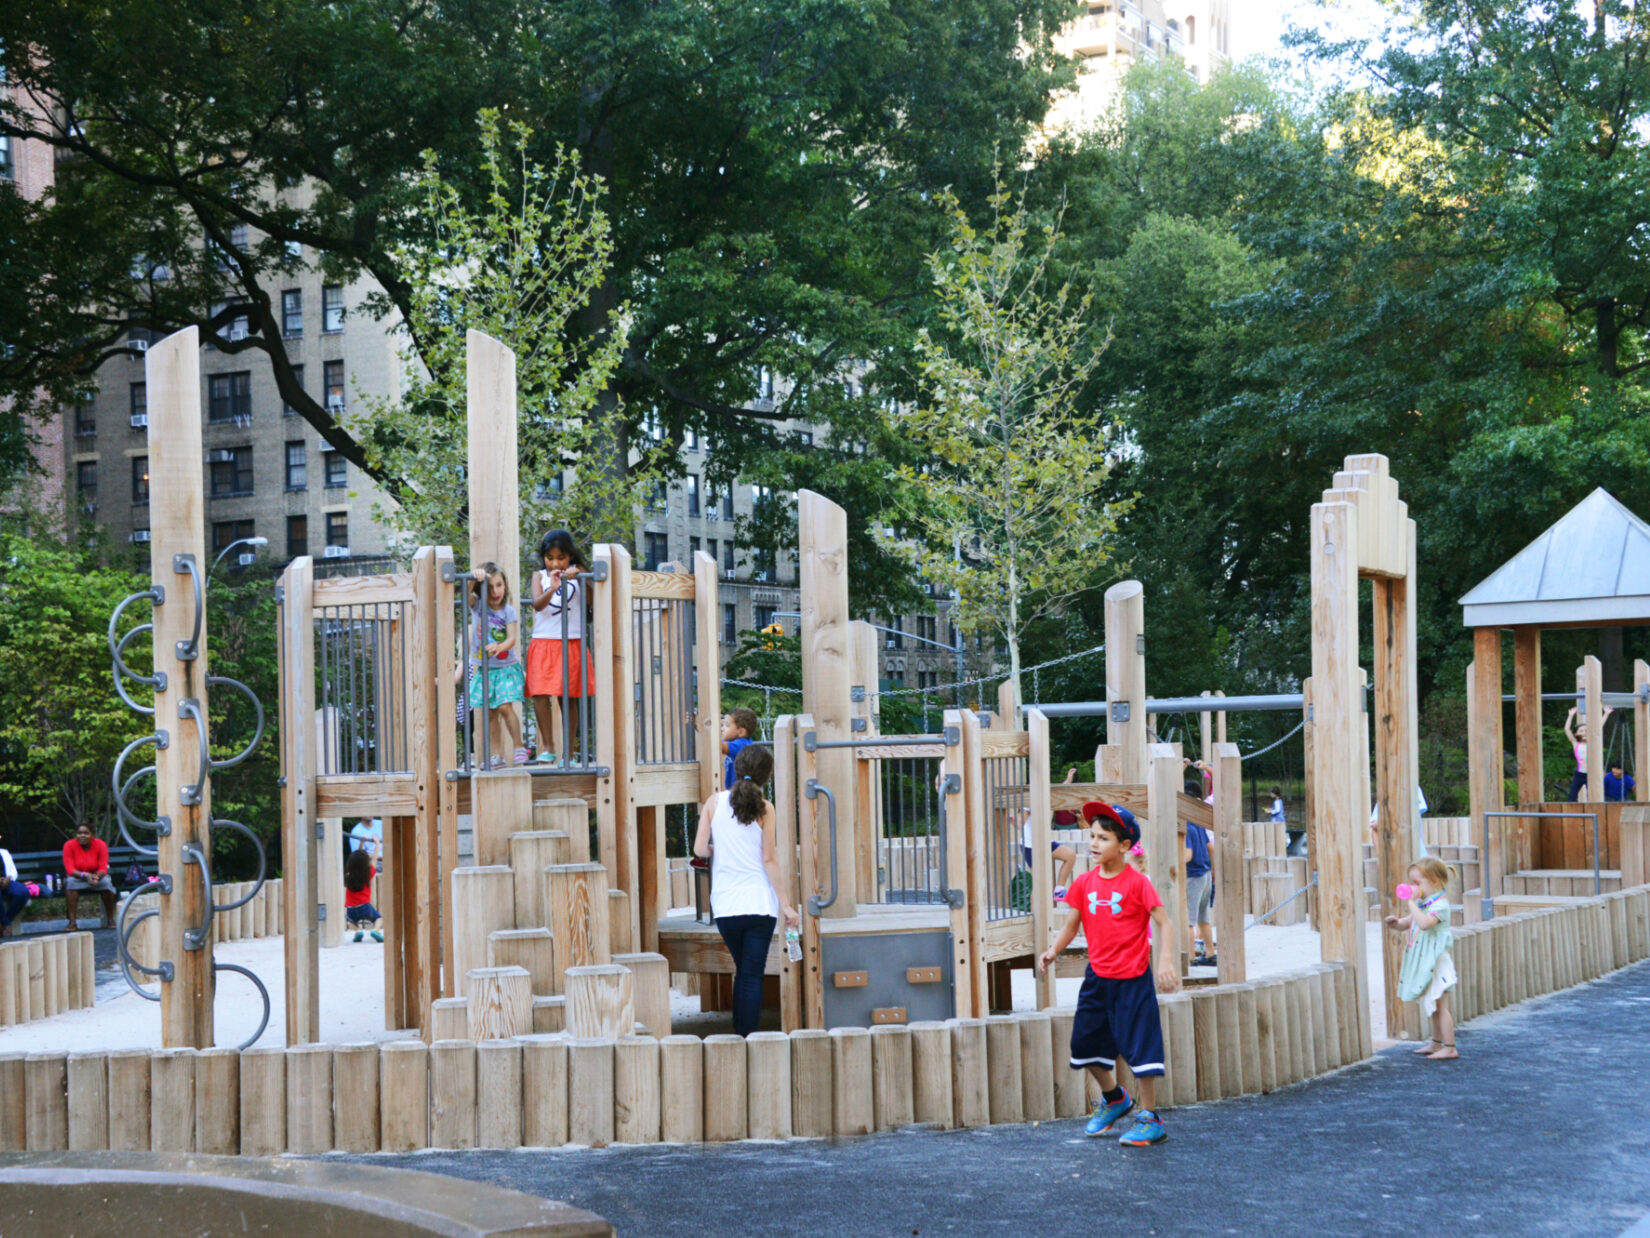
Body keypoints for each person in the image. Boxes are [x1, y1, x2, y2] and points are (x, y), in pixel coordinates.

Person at [1037, 801, 1179, 1147]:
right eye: (1093, 836)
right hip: (1097, 979)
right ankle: (1115, 1097)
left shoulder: (1137, 883)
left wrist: (1164, 961)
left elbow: (1164, 922)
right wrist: (1053, 950)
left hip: (1132, 979)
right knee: (1084, 1045)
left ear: (1125, 845)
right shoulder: (1084, 883)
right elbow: (1072, 926)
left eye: (1104, 837)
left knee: (1140, 1048)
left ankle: (1150, 1117)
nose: (1095, 843)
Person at [692, 743, 799, 1036]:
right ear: (766, 776)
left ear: (736, 768)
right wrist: (787, 905)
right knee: (751, 975)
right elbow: (769, 858)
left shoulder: (714, 802)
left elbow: (700, 848)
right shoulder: (766, 808)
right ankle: (746, 1037)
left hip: (726, 905)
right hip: (758, 904)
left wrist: (720, 848)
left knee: (742, 971)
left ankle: (740, 1036)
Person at [527, 529, 595, 765]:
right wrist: (554, 587)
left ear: (570, 556)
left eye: (561, 558)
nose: (555, 562)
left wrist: (580, 578)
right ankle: (548, 746)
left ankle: (570, 752)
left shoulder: (581, 574)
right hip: (544, 640)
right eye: (550, 558)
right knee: (539, 693)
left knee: (569, 697)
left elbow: (591, 601)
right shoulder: (540, 576)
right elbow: (537, 604)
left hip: (571, 641)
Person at [1386, 856, 1458, 1060]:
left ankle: (1450, 1046)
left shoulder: (1440, 905)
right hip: (1428, 962)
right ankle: (1436, 1044)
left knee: (1441, 1007)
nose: (1413, 887)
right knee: (1433, 1004)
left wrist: (1410, 902)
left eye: (1417, 883)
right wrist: (1396, 923)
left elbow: (1425, 923)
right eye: (1412, 883)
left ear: (1434, 881)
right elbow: (1409, 923)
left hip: (1437, 962)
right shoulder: (1425, 903)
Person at [461, 563, 527, 766]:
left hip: (505, 667)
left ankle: (519, 747)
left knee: (505, 708)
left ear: (505, 585)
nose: (495, 591)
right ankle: (496, 755)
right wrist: (474, 578)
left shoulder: (508, 611)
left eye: (499, 585)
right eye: (489, 587)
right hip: (485, 669)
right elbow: (466, 594)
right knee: (490, 713)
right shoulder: (479, 606)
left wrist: (500, 647)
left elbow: (512, 638)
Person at [1021, 769, 1080, 899]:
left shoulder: (1048, 796)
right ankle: (1034, 911)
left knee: (1070, 856)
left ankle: (1059, 889)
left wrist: (1069, 778)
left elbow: (1059, 790)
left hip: (1044, 842)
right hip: (1031, 845)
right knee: (1038, 884)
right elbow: (1022, 821)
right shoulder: (1029, 799)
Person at [63, 824, 117, 930]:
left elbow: (103, 868)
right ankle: (72, 922)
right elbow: (70, 870)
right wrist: (85, 875)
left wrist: (96, 877)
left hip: (97, 877)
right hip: (78, 877)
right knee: (70, 884)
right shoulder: (69, 845)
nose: (82, 836)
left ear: (92, 834)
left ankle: (110, 919)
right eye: (79, 833)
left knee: (106, 884)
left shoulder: (100, 845)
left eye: (86, 833)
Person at [1183, 815, 1216, 968]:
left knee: (1188, 920)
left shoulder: (1186, 827)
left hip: (1194, 876)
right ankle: (1210, 953)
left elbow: (1188, 855)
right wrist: (1213, 869)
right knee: (1203, 918)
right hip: (1206, 874)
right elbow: (1210, 848)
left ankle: (1190, 957)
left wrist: (1171, 861)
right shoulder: (1198, 823)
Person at [1564, 705, 1612, 801]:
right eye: (1581, 731)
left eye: (1586, 730)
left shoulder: (1592, 742)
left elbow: (1598, 727)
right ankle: (1570, 814)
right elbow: (1567, 729)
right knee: (1572, 796)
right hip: (1579, 774)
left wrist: (1606, 714)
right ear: (1576, 734)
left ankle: (1592, 813)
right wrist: (1570, 716)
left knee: (1592, 797)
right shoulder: (1575, 743)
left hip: (1591, 774)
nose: (1584, 732)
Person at [343, 848, 383, 943]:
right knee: (378, 918)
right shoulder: (367, 874)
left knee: (350, 922)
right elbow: (374, 859)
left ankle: (358, 931)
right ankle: (375, 930)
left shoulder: (348, 876)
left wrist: (361, 844)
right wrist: (377, 844)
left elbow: (356, 858)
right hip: (364, 907)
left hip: (351, 909)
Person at [721, 708, 760, 791]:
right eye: (722, 725)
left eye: (727, 725)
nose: (722, 729)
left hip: (742, 793)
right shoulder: (735, 742)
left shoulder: (742, 745)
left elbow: (718, 747)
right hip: (736, 792)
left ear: (741, 732)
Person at [0, 845, 30, 937]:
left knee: (23, 892)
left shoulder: (4, 852)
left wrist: (8, 879)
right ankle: (7, 925)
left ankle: (4, 923)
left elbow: (13, 871)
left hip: (7, 882)